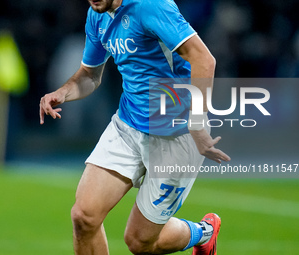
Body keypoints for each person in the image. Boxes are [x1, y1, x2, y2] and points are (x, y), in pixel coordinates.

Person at [39, 0, 231, 254]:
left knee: (139, 242)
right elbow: (90, 74)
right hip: (128, 127)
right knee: (84, 217)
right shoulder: (97, 15)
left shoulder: (151, 6)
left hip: (177, 134)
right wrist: (63, 92)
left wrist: (196, 121)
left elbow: (203, 59)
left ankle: (203, 234)